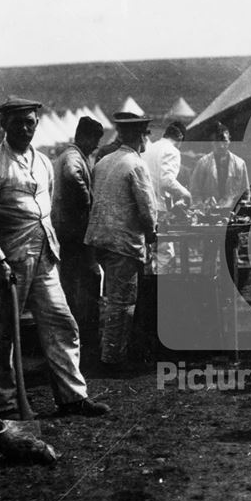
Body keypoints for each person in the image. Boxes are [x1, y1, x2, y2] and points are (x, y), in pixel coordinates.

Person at [0, 97, 108, 417]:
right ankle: (5, 407)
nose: (25, 129)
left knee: (62, 324)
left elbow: (48, 210)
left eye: (30, 123)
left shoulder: (43, 162)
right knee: (1, 337)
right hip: (8, 263)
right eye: (18, 123)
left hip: (44, 257)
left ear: (37, 125)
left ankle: (72, 397)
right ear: (4, 126)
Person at [85, 111, 158, 370]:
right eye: (144, 135)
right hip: (123, 242)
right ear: (140, 137)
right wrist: (152, 234)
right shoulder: (136, 164)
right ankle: (113, 359)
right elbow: (146, 208)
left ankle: (111, 351)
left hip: (100, 238)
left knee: (113, 297)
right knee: (123, 301)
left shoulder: (104, 161)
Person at [52, 116, 104, 346]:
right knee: (84, 279)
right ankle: (83, 334)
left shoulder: (68, 154)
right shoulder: (73, 157)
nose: (96, 146)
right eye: (94, 140)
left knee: (73, 280)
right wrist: (88, 199)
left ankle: (76, 330)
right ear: (84, 137)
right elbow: (72, 176)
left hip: (67, 229)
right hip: (74, 230)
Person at [189, 123, 251, 279]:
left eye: (224, 141)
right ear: (212, 143)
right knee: (209, 255)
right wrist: (202, 207)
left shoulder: (239, 163)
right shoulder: (203, 163)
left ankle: (228, 293)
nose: (221, 145)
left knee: (230, 255)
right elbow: (195, 191)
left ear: (229, 141)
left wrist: (240, 215)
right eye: (217, 142)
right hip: (209, 216)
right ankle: (207, 292)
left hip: (230, 217)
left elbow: (246, 193)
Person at [141, 120, 191, 273]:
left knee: (148, 254)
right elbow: (166, 180)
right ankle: (162, 292)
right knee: (166, 255)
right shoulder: (172, 151)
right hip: (160, 209)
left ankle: (148, 292)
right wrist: (186, 194)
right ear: (180, 137)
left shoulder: (150, 148)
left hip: (146, 206)